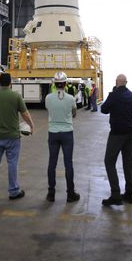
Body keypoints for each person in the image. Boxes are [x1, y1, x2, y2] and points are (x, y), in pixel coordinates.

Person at [0, 72, 34, 200]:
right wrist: (31, 125)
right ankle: (13, 191)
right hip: (12, 136)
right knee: (12, 163)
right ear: (10, 83)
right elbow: (25, 114)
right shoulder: (16, 96)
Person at [45, 71, 80, 203]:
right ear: (65, 84)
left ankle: (51, 193)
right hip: (67, 133)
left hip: (53, 133)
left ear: (54, 83)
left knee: (52, 163)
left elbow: (49, 110)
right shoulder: (71, 98)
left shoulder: (48, 98)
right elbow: (74, 112)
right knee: (68, 163)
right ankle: (70, 193)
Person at [101, 74, 132, 206]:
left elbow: (104, 109)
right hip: (130, 132)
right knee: (128, 163)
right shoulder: (131, 95)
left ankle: (115, 194)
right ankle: (129, 194)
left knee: (109, 162)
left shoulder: (114, 95)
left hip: (117, 134)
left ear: (117, 82)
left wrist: (112, 93)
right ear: (125, 83)